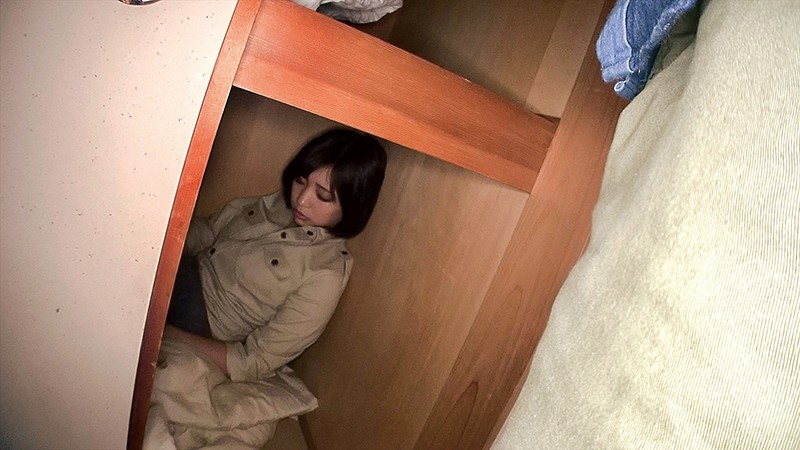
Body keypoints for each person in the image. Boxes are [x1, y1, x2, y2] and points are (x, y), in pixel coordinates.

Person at [163, 128, 387, 382]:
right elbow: (210, 230)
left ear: (353, 205)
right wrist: (162, 242)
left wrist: (167, 334)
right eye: (300, 181)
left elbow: (254, 362)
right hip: (183, 269)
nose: (302, 200)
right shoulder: (279, 205)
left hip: (200, 317)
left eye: (323, 196)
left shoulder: (325, 273)